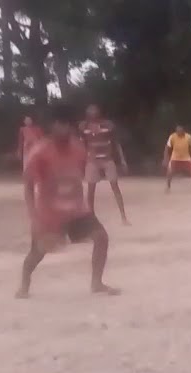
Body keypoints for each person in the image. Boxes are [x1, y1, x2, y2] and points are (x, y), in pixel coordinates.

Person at [18, 105, 119, 299]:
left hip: (76, 211)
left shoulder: (78, 148)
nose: (63, 129)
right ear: (52, 127)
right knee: (37, 253)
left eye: (66, 125)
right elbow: (29, 186)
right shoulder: (39, 152)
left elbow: (78, 174)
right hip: (50, 214)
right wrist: (34, 217)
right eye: (59, 125)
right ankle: (24, 284)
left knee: (101, 237)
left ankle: (97, 283)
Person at [79, 104, 130, 225]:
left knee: (115, 186)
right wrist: (81, 161)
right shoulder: (83, 127)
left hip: (107, 159)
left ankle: (123, 217)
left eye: (95, 110)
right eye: (90, 110)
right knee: (91, 190)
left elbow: (116, 143)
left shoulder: (108, 125)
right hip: (92, 160)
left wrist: (122, 160)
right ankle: (91, 219)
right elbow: (82, 145)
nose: (93, 112)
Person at [162, 124, 191, 193]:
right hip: (175, 157)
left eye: (180, 131)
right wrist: (165, 158)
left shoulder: (188, 137)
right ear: (176, 131)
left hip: (186, 158)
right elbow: (167, 148)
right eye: (177, 131)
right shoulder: (172, 136)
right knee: (170, 171)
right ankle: (168, 187)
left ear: (183, 131)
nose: (179, 132)